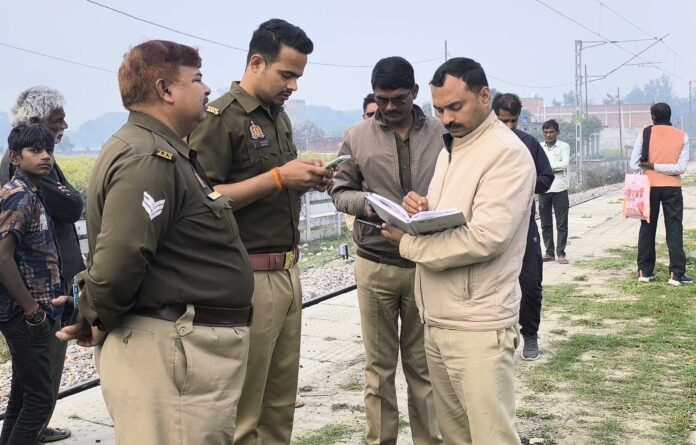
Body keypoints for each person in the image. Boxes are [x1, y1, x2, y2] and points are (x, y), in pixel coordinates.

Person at [56, 40, 255, 444]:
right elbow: (122, 257)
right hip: (171, 355)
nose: (206, 88)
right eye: (196, 79)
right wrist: (95, 317)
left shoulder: (166, 150)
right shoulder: (148, 158)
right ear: (165, 90)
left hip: (182, 352)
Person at [381, 57, 536, 445]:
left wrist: (409, 243)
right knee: (454, 436)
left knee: (491, 435)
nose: (446, 119)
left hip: (479, 324)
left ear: (485, 96)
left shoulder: (507, 153)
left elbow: (486, 237)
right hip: (438, 318)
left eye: (455, 107)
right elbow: (454, 214)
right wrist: (423, 207)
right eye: (439, 110)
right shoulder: (454, 149)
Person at [188, 19, 329, 445]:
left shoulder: (278, 117)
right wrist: (279, 179)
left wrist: (305, 177)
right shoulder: (221, 119)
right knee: (245, 410)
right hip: (247, 277)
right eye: (287, 74)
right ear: (256, 62)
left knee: (280, 402)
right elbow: (201, 200)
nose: (294, 86)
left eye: (298, 77)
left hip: (288, 273)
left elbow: (277, 181)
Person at [330, 57, 444, 445]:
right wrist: (368, 203)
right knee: (378, 370)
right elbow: (339, 191)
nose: (390, 107)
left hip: (425, 266)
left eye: (398, 99)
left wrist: (432, 204)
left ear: (414, 92)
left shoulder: (442, 134)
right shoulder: (356, 137)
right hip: (375, 266)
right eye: (382, 100)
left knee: (424, 368)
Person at [0, 86, 83, 444]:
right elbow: (4, 255)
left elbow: (75, 202)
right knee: (39, 394)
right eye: (57, 119)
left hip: (43, 299)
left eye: (47, 149)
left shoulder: (34, 175)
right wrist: (33, 310)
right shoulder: (20, 187)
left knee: (25, 390)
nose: (47, 153)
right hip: (27, 307)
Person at [492, 93, 554, 361]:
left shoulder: (528, 143)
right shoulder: (478, 145)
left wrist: (524, 185)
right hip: (488, 226)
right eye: (502, 121)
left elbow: (547, 177)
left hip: (523, 224)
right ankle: (495, 338)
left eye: (513, 121)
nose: (508, 127)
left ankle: (530, 335)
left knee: (530, 283)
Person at [630, 102, 692, 286]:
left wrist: (653, 167)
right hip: (672, 189)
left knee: (647, 228)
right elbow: (680, 168)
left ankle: (645, 271)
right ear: (670, 116)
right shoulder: (682, 136)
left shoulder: (645, 133)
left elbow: (634, 164)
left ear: (652, 117)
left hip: (648, 187)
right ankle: (676, 274)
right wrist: (662, 168)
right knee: (674, 229)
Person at [344, 93, 380, 233]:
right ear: (363, 117)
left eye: (379, 113)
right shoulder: (353, 141)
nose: (375, 118)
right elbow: (343, 186)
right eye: (370, 114)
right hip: (365, 226)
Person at [538, 119, 571, 264]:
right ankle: (549, 252)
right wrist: (549, 168)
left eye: (552, 132)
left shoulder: (564, 146)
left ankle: (561, 253)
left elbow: (564, 164)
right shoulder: (539, 147)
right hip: (543, 189)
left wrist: (545, 168)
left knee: (561, 223)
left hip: (559, 188)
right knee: (545, 223)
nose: (549, 135)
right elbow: (535, 164)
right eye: (546, 132)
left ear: (557, 133)